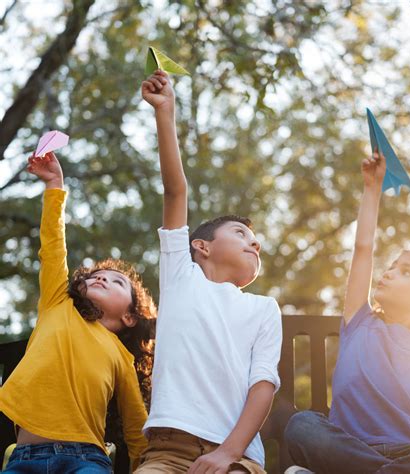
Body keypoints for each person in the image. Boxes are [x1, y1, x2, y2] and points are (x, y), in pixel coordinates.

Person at [284, 150, 410, 473]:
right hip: (351, 451)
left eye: (406, 273)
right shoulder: (360, 322)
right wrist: (372, 189)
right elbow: (363, 251)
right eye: (392, 267)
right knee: (302, 425)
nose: (388, 273)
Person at [135, 70, 282, 474]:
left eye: (256, 242)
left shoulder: (264, 308)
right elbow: (175, 191)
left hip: (236, 453)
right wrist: (165, 113)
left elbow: (263, 387)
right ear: (200, 246)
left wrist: (227, 454)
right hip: (167, 450)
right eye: (241, 233)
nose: (254, 243)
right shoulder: (181, 273)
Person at [0, 151, 157, 473]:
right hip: (24, 458)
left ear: (129, 317)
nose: (101, 277)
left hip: (86, 459)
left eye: (116, 282)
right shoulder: (57, 303)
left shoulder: (120, 357)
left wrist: (147, 465)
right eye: (97, 275)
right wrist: (55, 185)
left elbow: (134, 422)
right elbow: (53, 245)